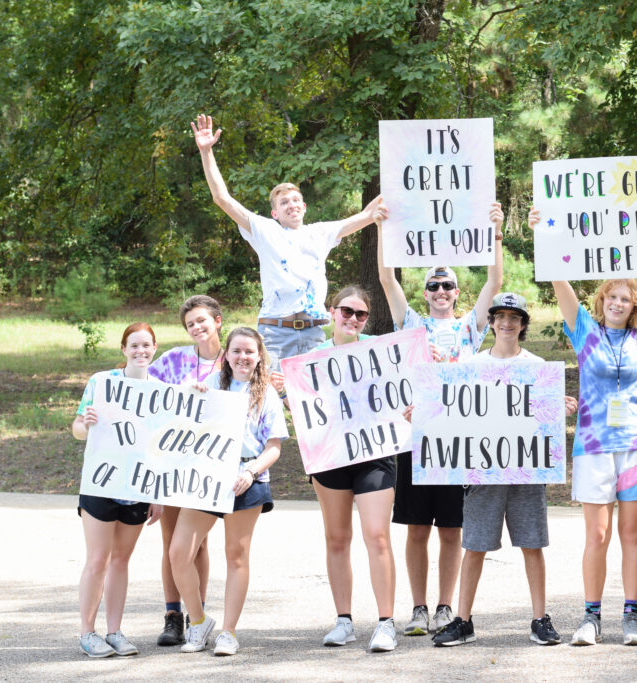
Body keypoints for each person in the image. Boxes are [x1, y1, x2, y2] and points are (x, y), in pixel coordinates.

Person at [532, 204, 637, 647]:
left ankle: (632, 617)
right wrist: (544, 237)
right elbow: (559, 281)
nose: (618, 303)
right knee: (598, 534)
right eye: (611, 297)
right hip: (593, 445)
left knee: (631, 533)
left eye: (626, 299)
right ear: (601, 301)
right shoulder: (582, 329)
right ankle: (590, 617)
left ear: (634, 305)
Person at [375, 201, 505, 637]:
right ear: (426, 292)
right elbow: (387, 279)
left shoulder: (471, 328)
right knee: (416, 529)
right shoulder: (410, 324)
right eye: (434, 285)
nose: (441, 291)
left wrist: (496, 232)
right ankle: (417, 609)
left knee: (451, 530)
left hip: (459, 441)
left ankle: (446, 607)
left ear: (456, 291)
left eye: (447, 285)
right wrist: (383, 229)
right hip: (417, 438)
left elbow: (495, 281)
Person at [430, 292, 577, 647]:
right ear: (492, 322)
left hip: (526, 471)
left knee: (532, 544)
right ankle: (463, 620)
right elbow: (452, 411)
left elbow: (541, 419)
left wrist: (559, 406)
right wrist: (421, 412)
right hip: (484, 472)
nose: (507, 323)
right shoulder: (473, 365)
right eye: (501, 317)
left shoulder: (538, 365)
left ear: (523, 324)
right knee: (475, 545)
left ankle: (540, 618)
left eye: (515, 318)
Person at [191, 113, 382, 365]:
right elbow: (222, 198)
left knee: (314, 398)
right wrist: (206, 152)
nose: (291, 205)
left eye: (295, 200)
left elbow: (367, 215)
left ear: (304, 207)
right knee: (273, 394)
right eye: (283, 202)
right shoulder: (265, 230)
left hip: (314, 333)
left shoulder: (320, 233)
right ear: (275, 213)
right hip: (276, 333)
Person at [168, 327, 288, 656]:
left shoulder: (266, 394)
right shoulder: (213, 388)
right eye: (236, 351)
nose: (243, 357)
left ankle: (228, 632)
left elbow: (274, 447)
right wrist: (189, 393)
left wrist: (251, 471)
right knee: (179, 553)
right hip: (206, 478)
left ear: (259, 356)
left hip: (245, 479)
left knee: (236, 556)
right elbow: (179, 419)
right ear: (227, 355)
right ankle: (198, 621)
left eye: (250, 351)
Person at [295, 287, 398, 653]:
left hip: (374, 452)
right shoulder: (312, 357)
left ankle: (386, 623)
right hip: (331, 456)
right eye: (346, 311)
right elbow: (304, 407)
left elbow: (410, 385)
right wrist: (287, 388)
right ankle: (344, 621)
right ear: (331, 312)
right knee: (337, 538)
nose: (353, 319)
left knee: (377, 535)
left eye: (361, 314)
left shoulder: (383, 351)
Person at [72, 322, 163, 657]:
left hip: (138, 486)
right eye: (134, 345)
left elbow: (161, 447)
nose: (140, 351)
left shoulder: (160, 390)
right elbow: (78, 429)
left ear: (155, 349)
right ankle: (87, 632)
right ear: (123, 349)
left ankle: (115, 631)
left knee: (122, 559)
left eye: (146, 346)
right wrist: (86, 422)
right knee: (98, 558)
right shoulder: (102, 382)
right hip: (100, 482)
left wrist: (157, 495)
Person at [148, 294, 224, 645]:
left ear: (217, 321)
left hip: (211, 465)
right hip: (172, 461)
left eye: (201, 321)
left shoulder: (232, 360)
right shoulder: (173, 359)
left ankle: (199, 613)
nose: (196, 327)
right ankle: (172, 616)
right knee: (169, 542)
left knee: (199, 545)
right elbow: (145, 393)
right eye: (190, 323)